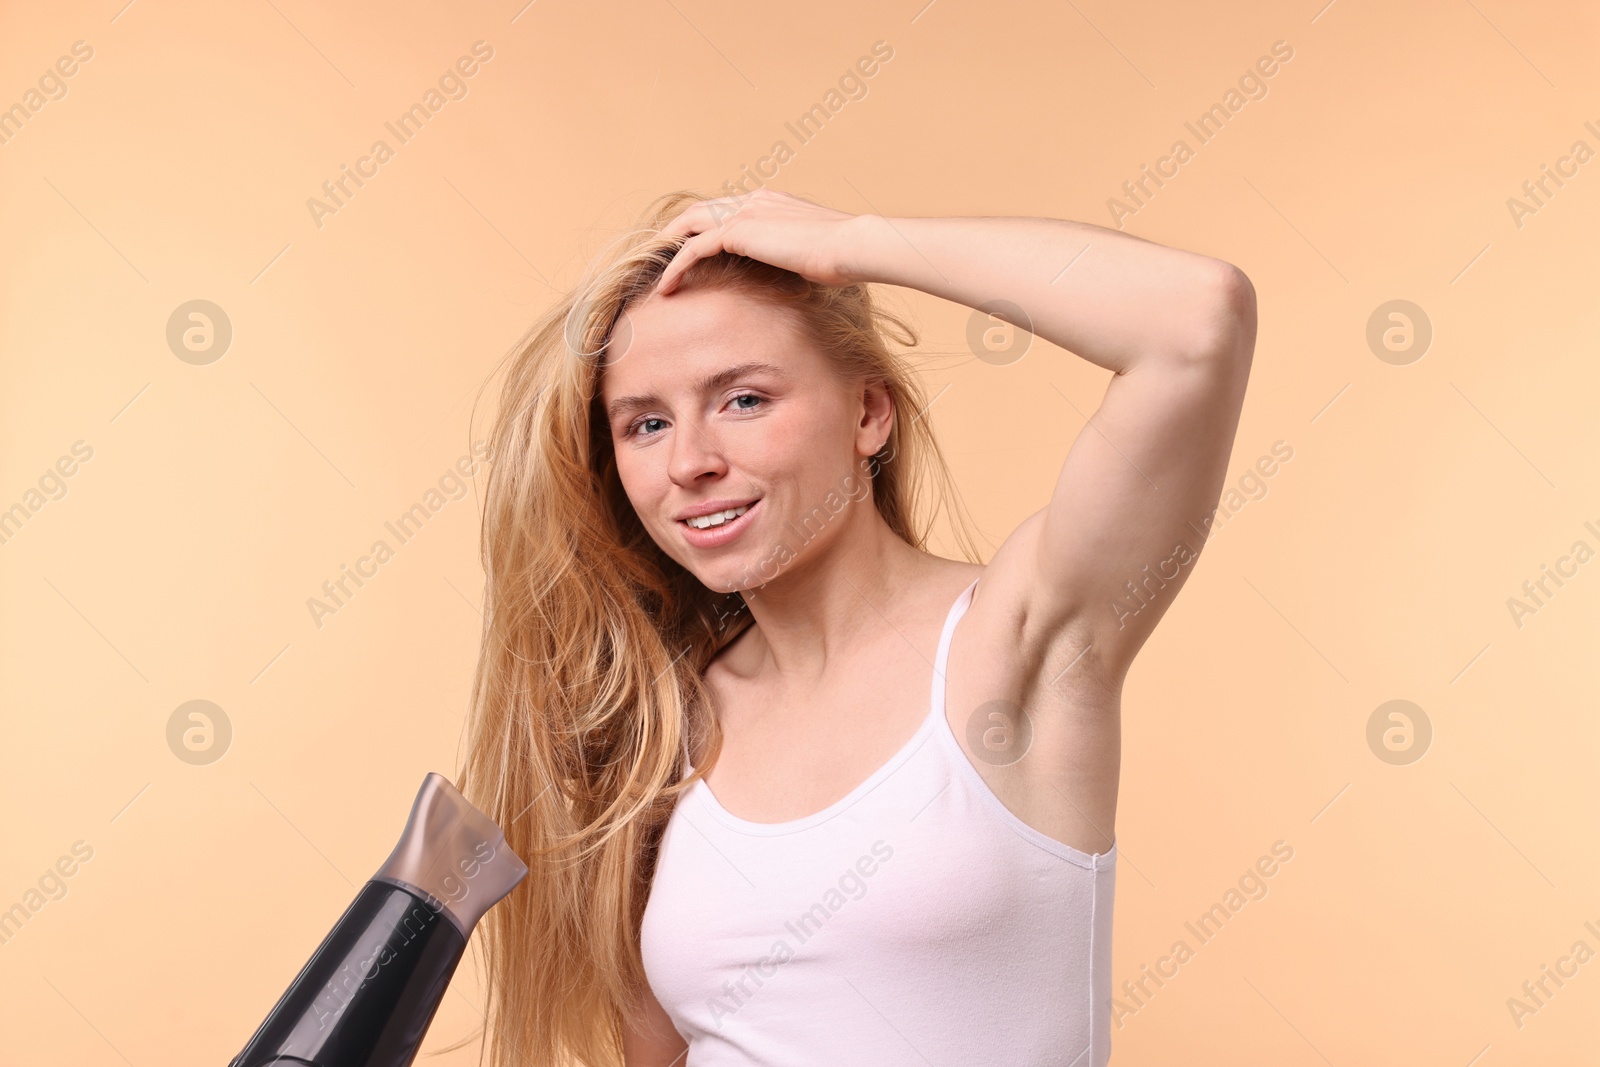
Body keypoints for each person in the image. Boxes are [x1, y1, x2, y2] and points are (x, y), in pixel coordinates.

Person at [454, 187, 1256, 1067]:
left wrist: (853, 243)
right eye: (646, 423)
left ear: (870, 413)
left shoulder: (1018, 641)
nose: (690, 462)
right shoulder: (669, 730)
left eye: (744, 399)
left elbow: (1197, 319)